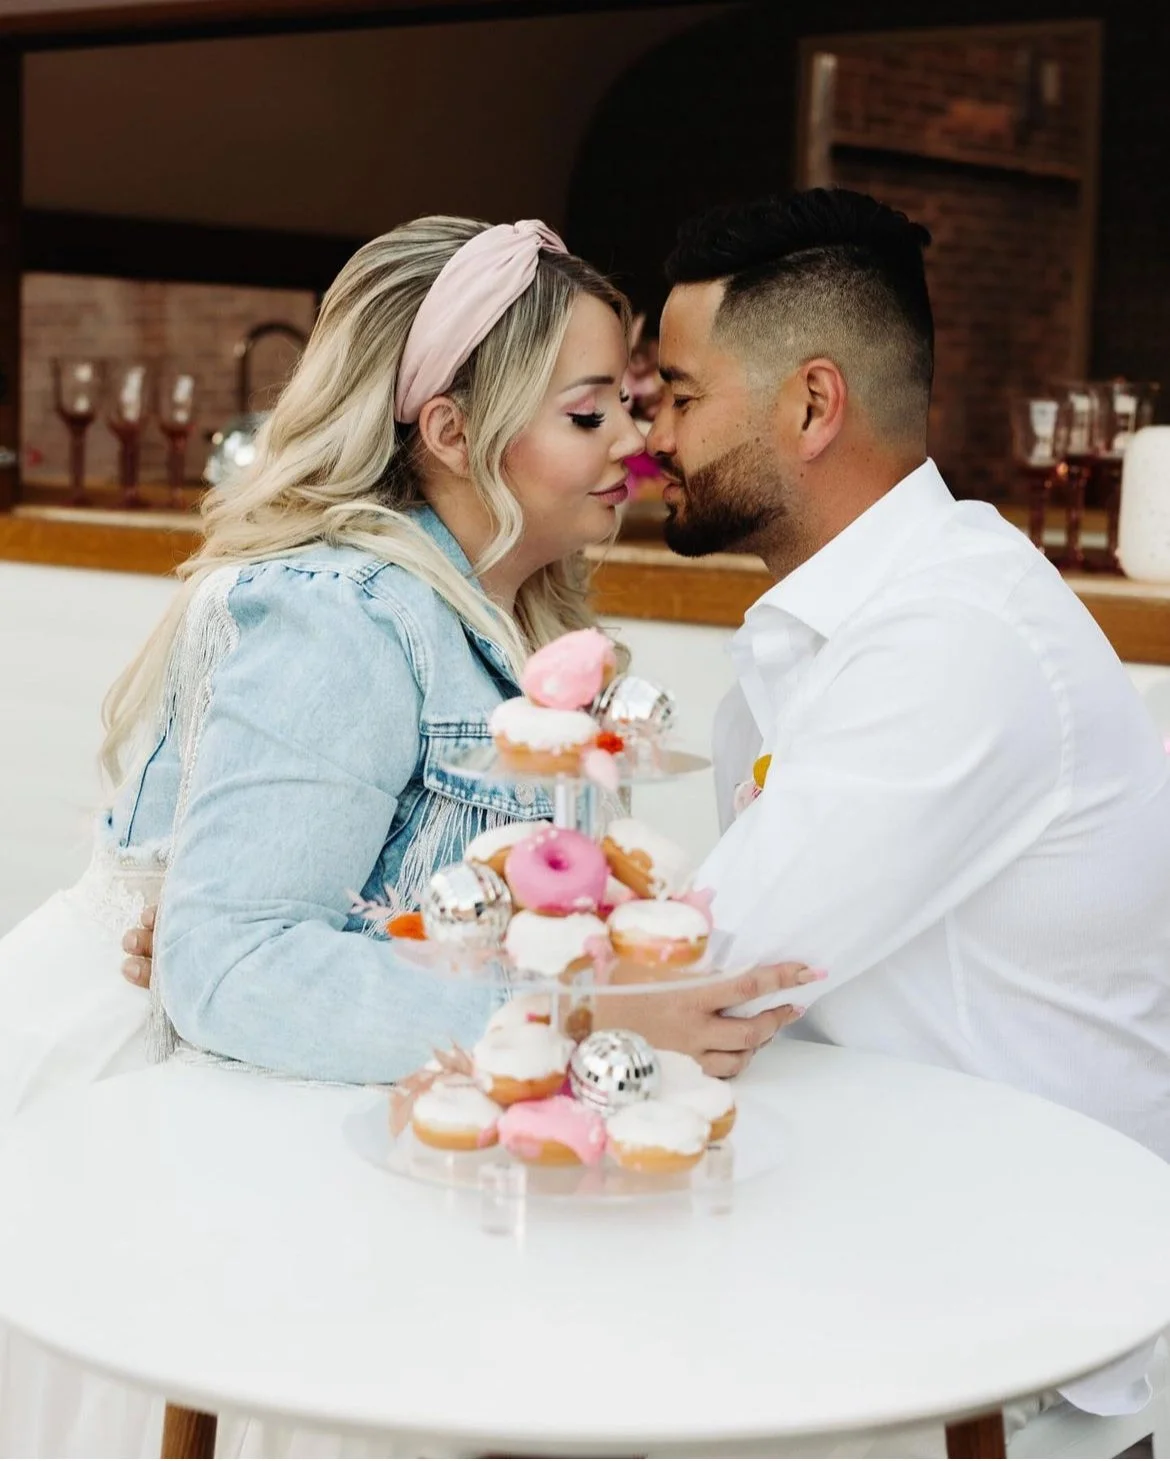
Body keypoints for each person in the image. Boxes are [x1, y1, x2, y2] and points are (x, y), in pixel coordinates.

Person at [0, 214, 812, 1457]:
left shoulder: (496, 610)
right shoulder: (346, 614)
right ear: (449, 433)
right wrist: (580, 1025)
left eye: (635, 406)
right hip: (183, 1126)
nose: (637, 445)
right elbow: (235, 970)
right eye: (589, 414)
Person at [645, 186, 1170, 1426]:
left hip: (1023, 1335)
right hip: (877, 1250)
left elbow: (711, 973)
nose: (646, 434)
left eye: (678, 395)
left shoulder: (953, 640)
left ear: (812, 404)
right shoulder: (829, 633)